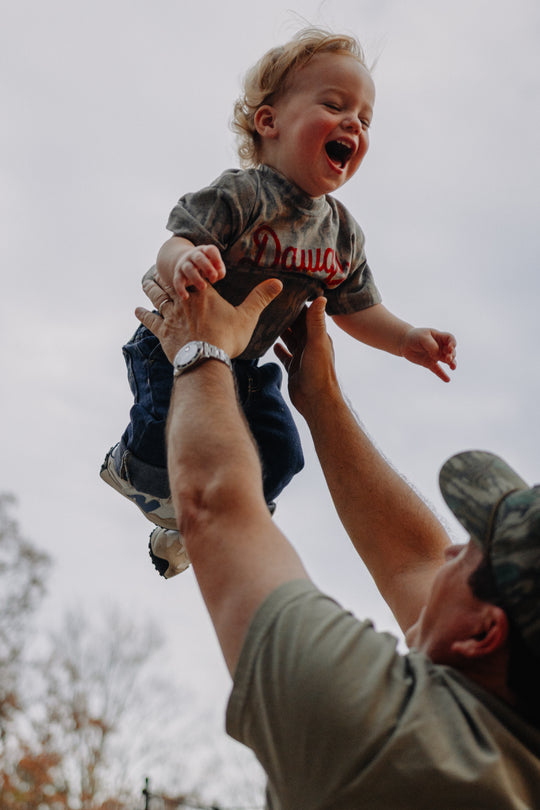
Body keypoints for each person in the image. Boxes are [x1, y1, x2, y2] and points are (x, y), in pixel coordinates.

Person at [135, 275, 539, 809]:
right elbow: (411, 563)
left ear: (485, 633)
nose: (449, 549)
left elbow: (216, 509)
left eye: (472, 552)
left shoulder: (392, 747)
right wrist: (321, 398)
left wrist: (199, 348)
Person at [100, 27, 456, 579]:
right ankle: (128, 465)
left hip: (245, 362)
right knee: (159, 439)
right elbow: (174, 241)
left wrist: (407, 339)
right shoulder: (244, 194)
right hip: (177, 343)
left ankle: (184, 532)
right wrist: (185, 263)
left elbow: (356, 307)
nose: (352, 124)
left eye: (364, 119)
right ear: (269, 123)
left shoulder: (342, 235)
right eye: (334, 105)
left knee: (280, 456)